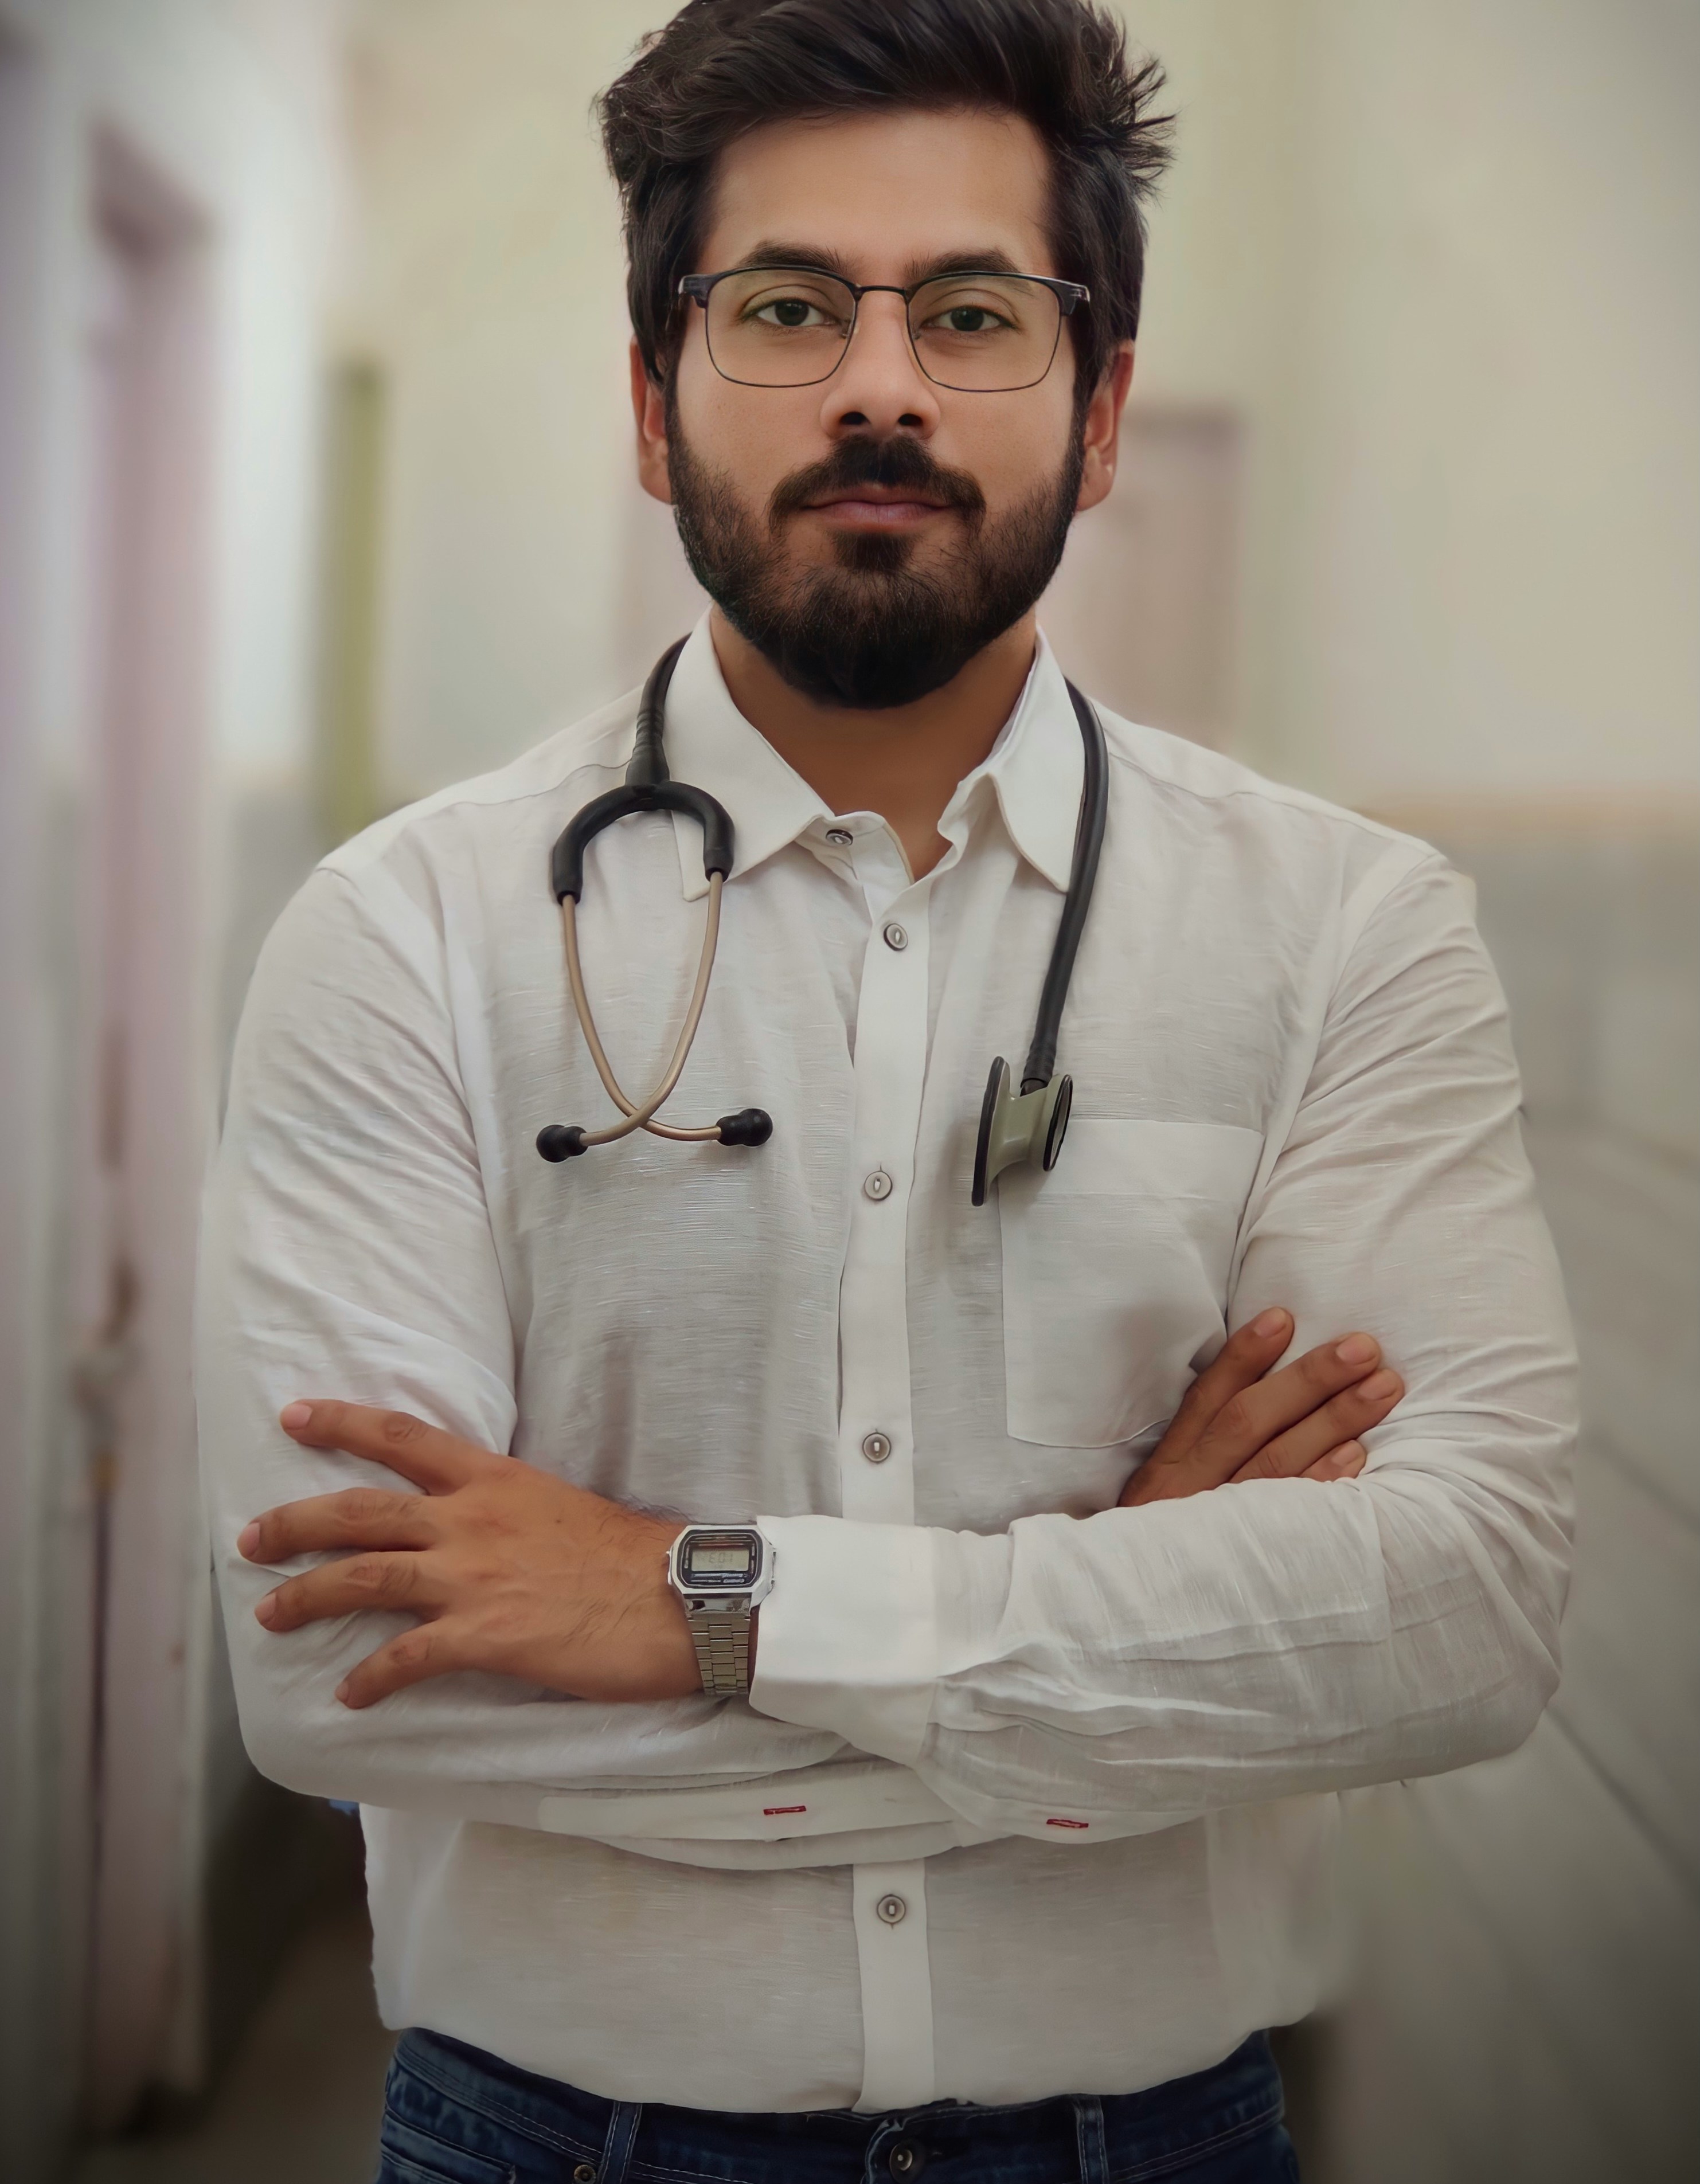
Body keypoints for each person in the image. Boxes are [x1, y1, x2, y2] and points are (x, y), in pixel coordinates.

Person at [197, 3, 1576, 2179]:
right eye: (784, 307)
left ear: (1099, 413)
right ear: (651, 402)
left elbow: (1465, 1612)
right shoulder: (406, 937)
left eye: (971, 311)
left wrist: (697, 1599)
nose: (879, 385)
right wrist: (1128, 1630)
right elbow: (343, 1669)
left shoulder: (1343, 930)